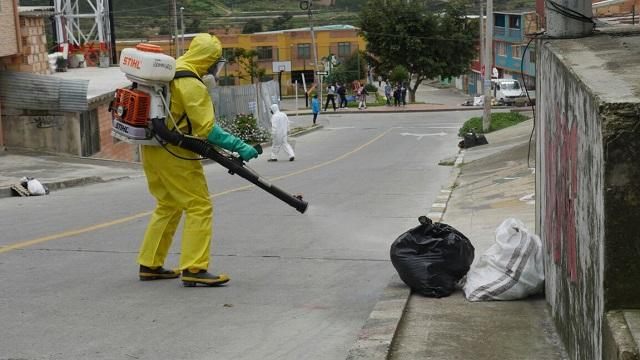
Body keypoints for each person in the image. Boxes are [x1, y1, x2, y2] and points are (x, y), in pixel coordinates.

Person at [138, 33, 259, 287]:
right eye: (216, 62)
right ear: (208, 60)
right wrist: (240, 146)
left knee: (168, 204)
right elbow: (208, 130)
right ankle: (194, 267)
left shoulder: (170, 70)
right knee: (199, 206)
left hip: (151, 148)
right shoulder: (190, 82)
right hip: (175, 153)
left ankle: (150, 264)